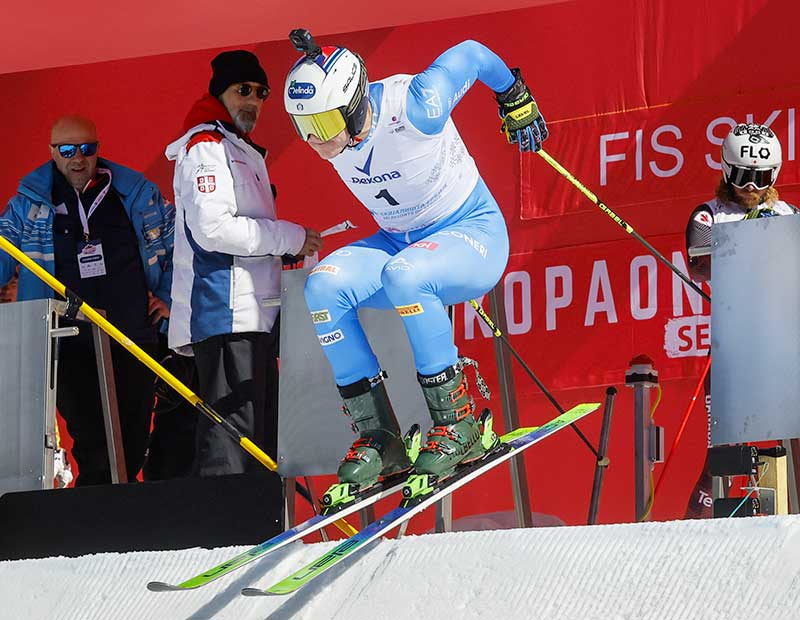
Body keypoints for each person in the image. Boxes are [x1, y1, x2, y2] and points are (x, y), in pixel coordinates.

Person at [283, 32, 548, 493]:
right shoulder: (336, 133)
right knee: (322, 285)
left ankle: (456, 424)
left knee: (404, 274)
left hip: (471, 236)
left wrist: (513, 95)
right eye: (301, 126)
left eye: (323, 125)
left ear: (352, 105)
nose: (314, 140)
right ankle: (379, 438)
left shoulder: (416, 105)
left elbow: (471, 53)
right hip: (399, 245)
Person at [165, 50, 322, 476]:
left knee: (256, 436)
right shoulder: (205, 147)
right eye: (243, 90)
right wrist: (290, 238)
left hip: (253, 313)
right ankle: (221, 535)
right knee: (231, 434)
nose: (253, 99)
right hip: (223, 310)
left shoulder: (238, 147)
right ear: (220, 92)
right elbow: (213, 229)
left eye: (262, 92)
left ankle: (253, 530)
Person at [0, 114, 174, 485]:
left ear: (98, 150)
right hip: (68, 341)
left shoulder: (135, 193)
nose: (77, 158)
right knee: (91, 439)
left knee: (133, 438)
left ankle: (123, 516)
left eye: (86, 149)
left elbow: (177, 245)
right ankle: (97, 522)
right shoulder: (29, 204)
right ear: (52, 153)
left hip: (131, 337)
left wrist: (168, 296)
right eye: (67, 150)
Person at [684, 122, 797, 518]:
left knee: (794, 445)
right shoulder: (708, 216)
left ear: (775, 175)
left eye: (761, 176)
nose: (750, 186)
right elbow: (699, 264)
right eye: (742, 176)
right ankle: (690, 539)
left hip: (783, 350)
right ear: (725, 171)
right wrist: (754, 244)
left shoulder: (789, 213)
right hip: (735, 354)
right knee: (725, 453)